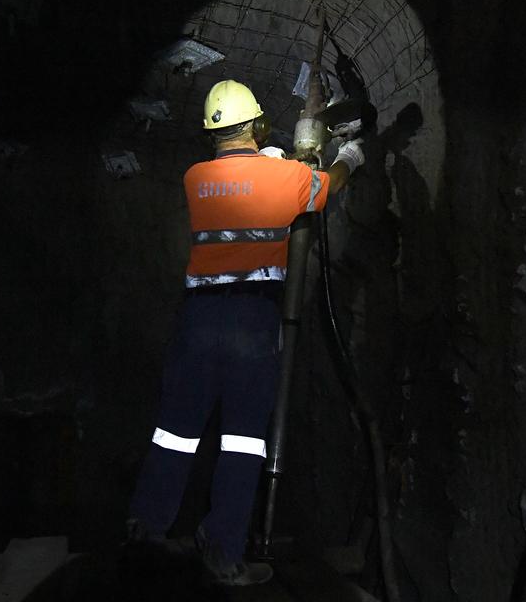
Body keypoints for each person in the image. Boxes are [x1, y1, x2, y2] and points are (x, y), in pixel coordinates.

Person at [126, 79, 365, 586]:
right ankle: (223, 554)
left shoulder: (195, 178)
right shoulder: (284, 179)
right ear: (256, 125)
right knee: (242, 442)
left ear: (212, 134)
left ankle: (143, 536)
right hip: (251, 323)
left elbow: (235, 185)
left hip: (197, 319)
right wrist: (351, 156)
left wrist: (274, 163)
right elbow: (327, 187)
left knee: (173, 435)